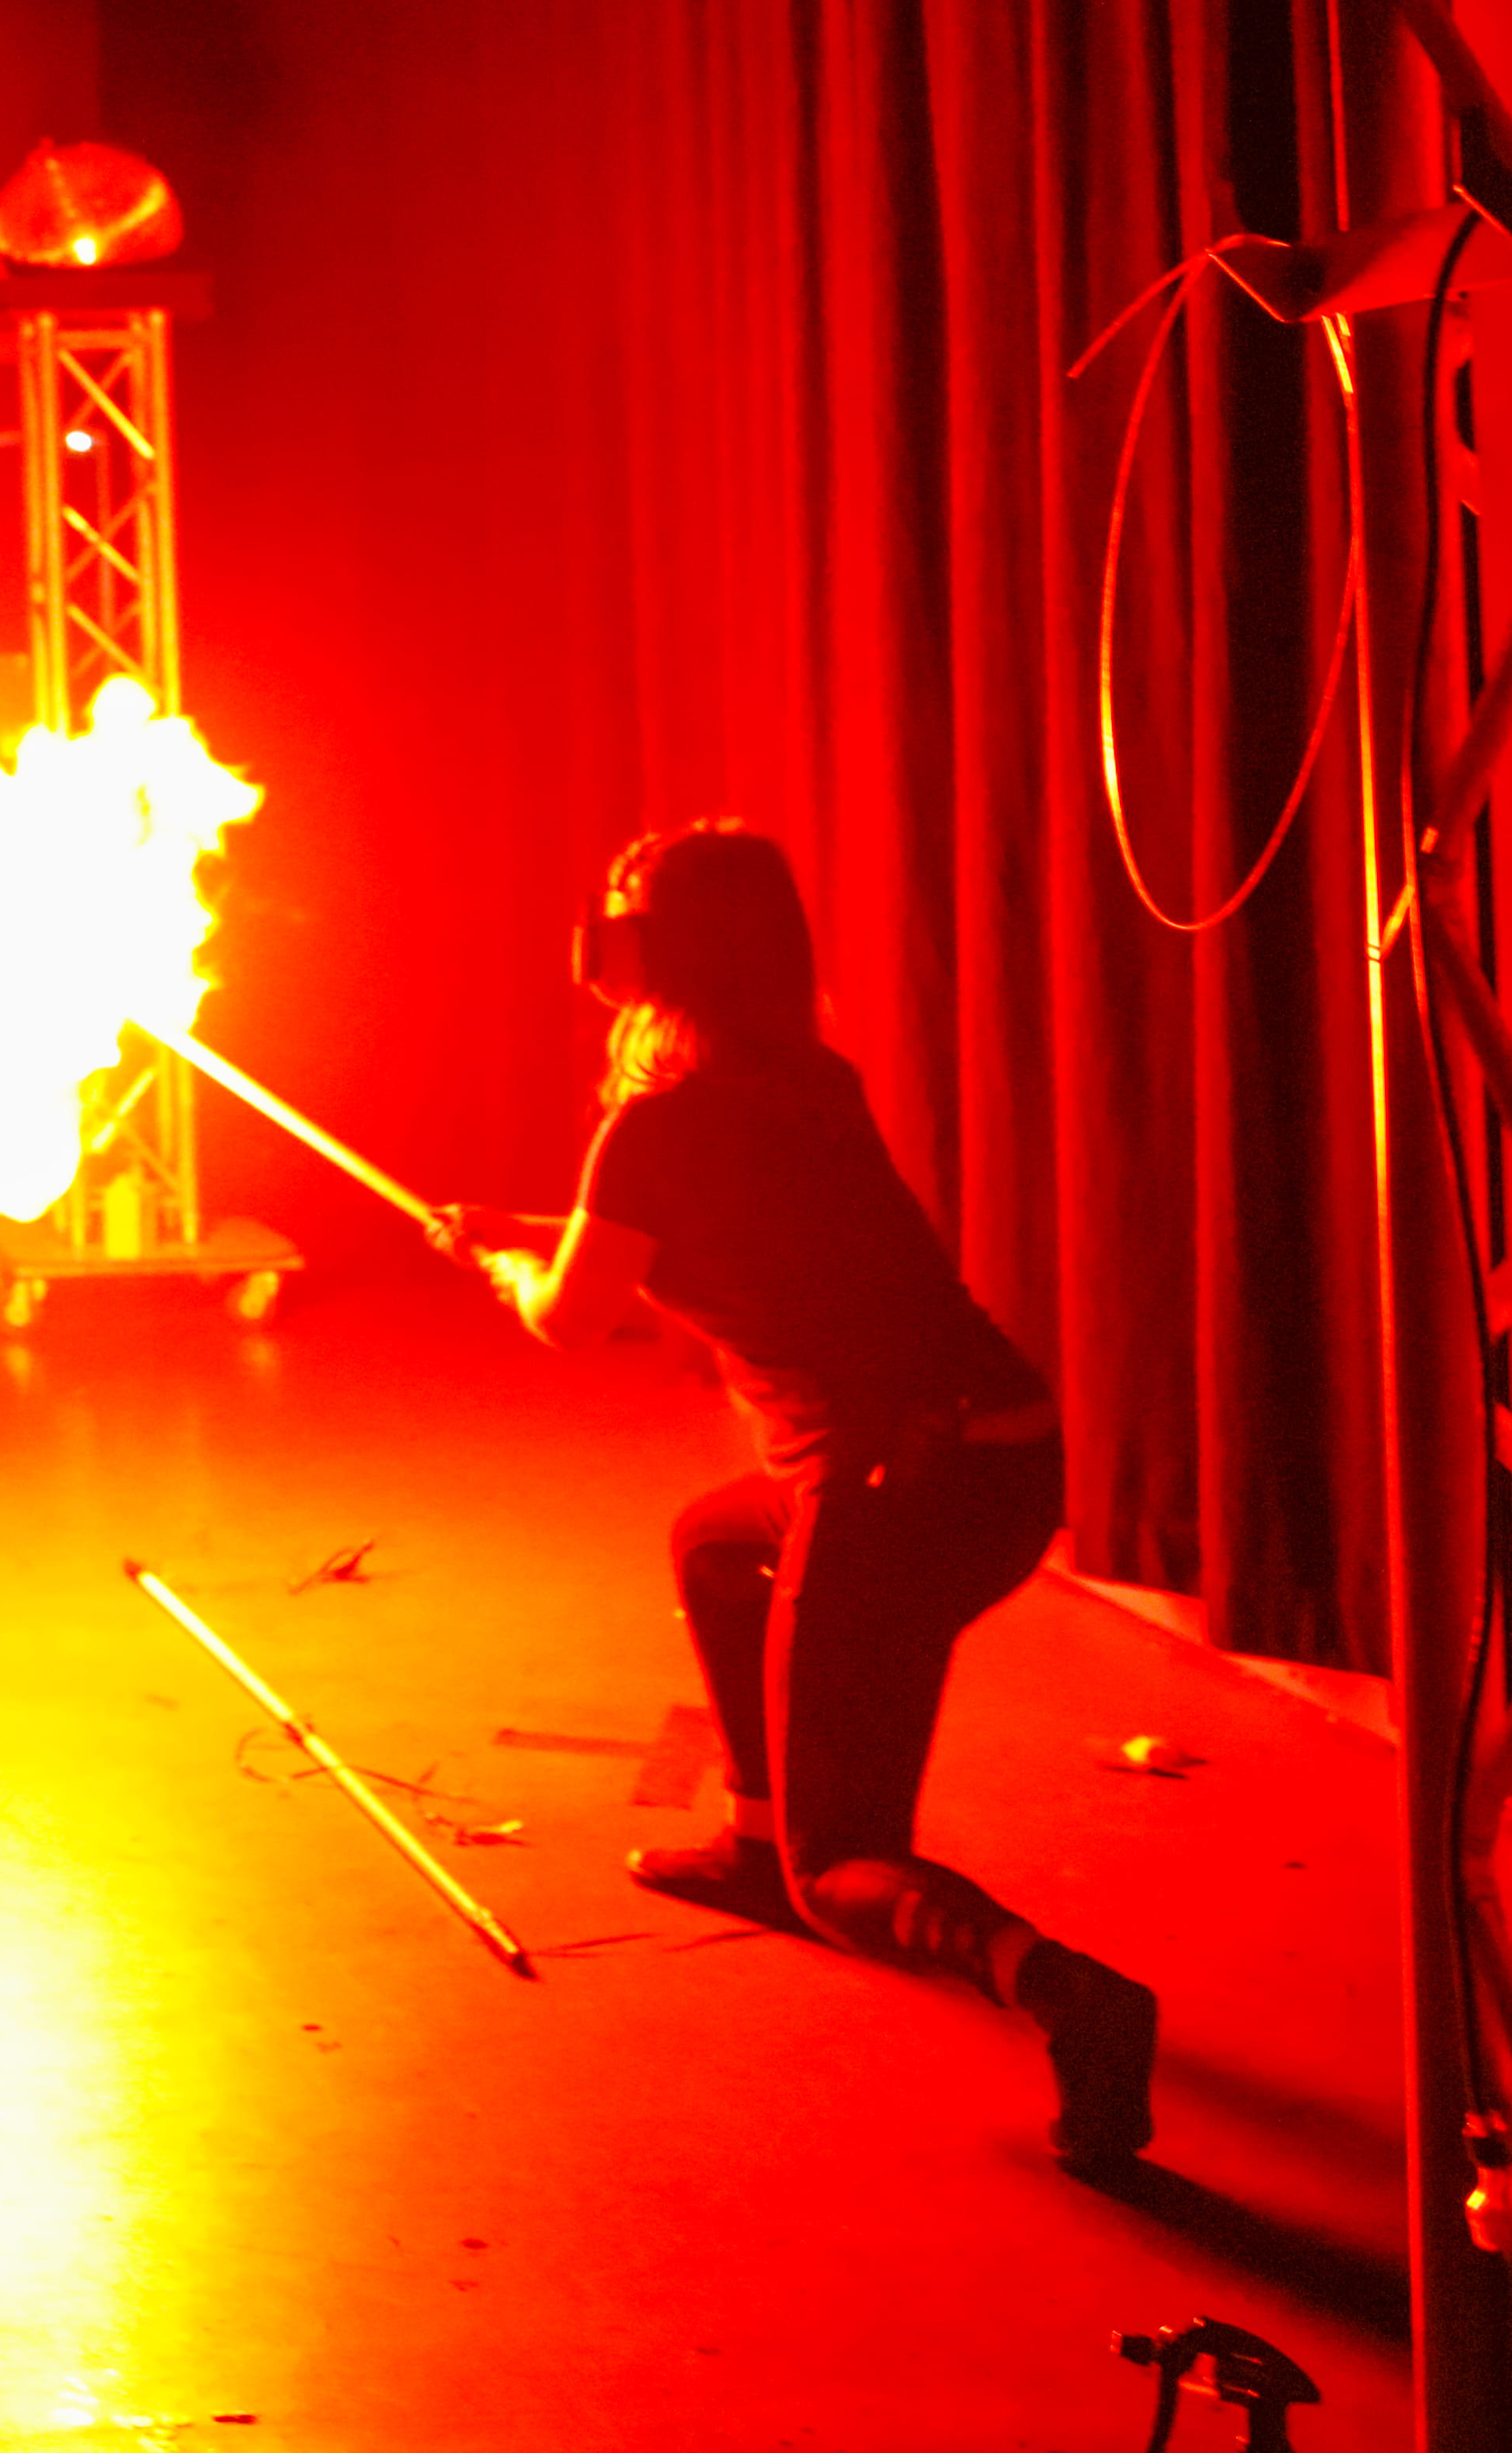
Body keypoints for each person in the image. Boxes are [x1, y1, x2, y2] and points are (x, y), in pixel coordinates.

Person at [429, 819, 1157, 2164]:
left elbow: (571, 1322)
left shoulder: (646, 1126)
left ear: (668, 951)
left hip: (892, 1494)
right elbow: (692, 1248)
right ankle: (754, 1839)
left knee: (850, 1868)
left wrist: (500, 1274)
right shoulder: (804, 1084)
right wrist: (527, 1235)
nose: (602, 923)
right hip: (1001, 1456)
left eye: (623, 904)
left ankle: (1062, 1993)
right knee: (713, 1544)